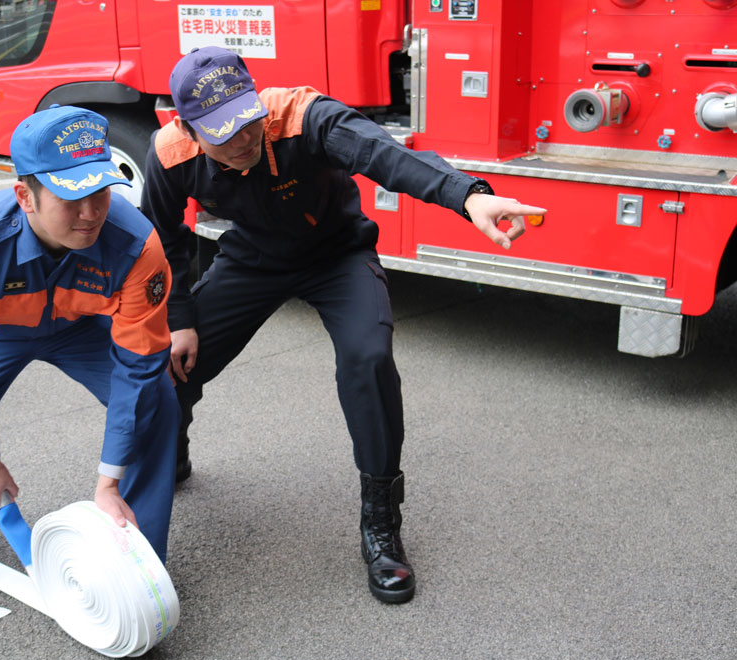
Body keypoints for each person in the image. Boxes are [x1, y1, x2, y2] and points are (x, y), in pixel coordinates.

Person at [140, 47, 547, 602]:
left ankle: (380, 523)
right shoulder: (169, 154)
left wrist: (468, 196)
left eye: (247, 118)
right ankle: (175, 446)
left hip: (337, 255)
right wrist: (180, 318)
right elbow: (162, 238)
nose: (243, 138)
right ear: (188, 128)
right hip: (252, 259)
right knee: (173, 360)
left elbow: (386, 155)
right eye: (222, 132)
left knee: (369, 358)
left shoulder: (304, 117)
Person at [0, 105, 180, 564]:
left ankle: (140, 554)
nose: (91, 214)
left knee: (158, 401)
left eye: (101, 192)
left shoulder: (135, 244)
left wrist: (107, 480)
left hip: (81, 328)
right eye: (71, 198)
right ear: (25, 196)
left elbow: (139, 364)